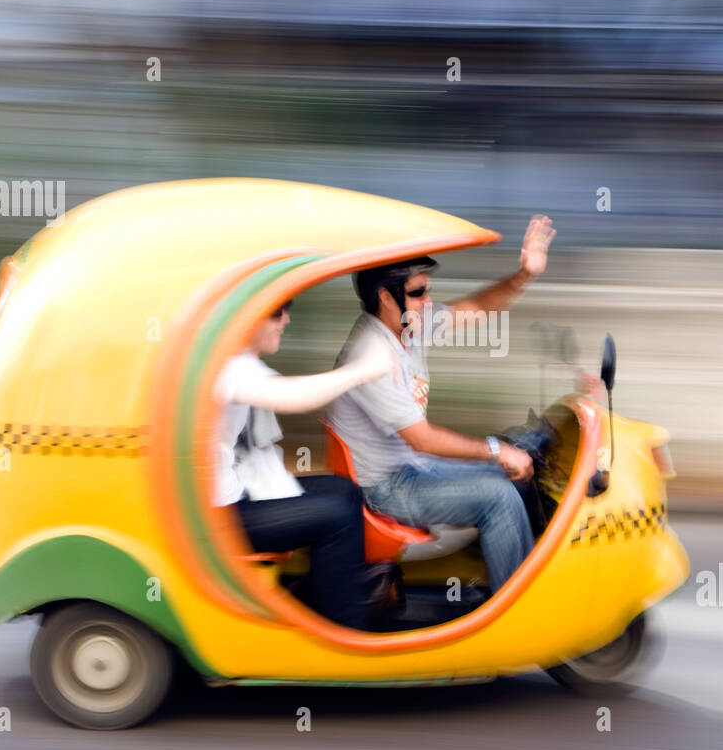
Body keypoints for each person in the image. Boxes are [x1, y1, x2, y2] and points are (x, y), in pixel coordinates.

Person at [328, 215, 556, 592]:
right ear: (386, 296)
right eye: (418, 293)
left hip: (411, 467)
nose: (428, 302)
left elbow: (478, 309)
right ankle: (514, 612)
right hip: (387, 487)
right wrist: (498, 450)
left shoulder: (408, 323)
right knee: (498, 496)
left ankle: (498, 576)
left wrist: (524, 274)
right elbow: (423, 440)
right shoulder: (370, 355)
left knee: (513, 475)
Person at [213, 298, 395, 630]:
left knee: (343, 490)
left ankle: (328, 597)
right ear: (247, 317)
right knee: (337, 515)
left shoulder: (236, 360)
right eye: (277, 310)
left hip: (232, 495)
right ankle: (344, 630)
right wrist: (362, 370)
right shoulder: (225, 364)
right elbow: (295, 397)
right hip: (215, 517)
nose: (286, 320)